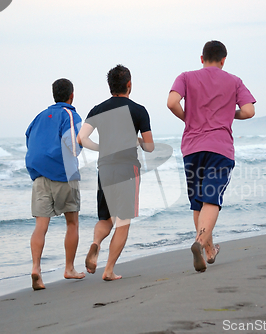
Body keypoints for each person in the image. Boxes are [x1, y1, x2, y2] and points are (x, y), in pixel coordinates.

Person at [167, 40, 256, 272]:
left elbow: (171, 102)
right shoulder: (234, 81)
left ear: (201, 58)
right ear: (223, 60)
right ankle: (199, 242)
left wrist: (188, 117)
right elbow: (249, 111)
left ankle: (208, 249)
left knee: (198, 201)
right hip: (219, 148)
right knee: (212, 198)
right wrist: (229, 113)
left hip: (192, 148)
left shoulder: (186, 77)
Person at [78, 65, 154, 281]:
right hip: (127, 168)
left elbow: (81, 139)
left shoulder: (98, 109)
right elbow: (149, 147)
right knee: (123, 221)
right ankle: (109, 270)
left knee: (105, 218)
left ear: (110, 86)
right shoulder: (139, 110)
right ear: (129, 84)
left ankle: (96, 243)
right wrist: (137, 140)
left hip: (105, 168)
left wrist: (101, 148)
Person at [25, 78, 85, 290]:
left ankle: (36, 269)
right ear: (72, 94)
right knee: (72, 222)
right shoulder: (70, 114)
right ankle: (69, 268)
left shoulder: (39, 116)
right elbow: (74, 144)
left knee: (40, 226)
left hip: (39, 176)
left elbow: (28, 139)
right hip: (64, 174)